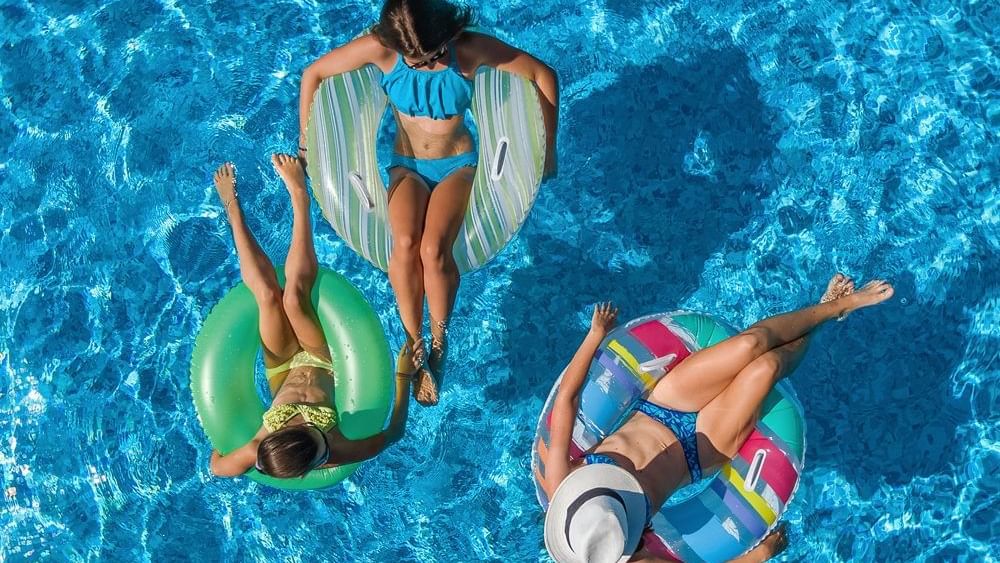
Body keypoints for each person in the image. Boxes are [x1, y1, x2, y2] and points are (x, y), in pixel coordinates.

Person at [298, 0, 559, 405]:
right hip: (407, 167)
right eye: (416, 61)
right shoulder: (382, 50)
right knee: (402, 244)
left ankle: (439, 344)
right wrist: (305, 142)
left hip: (458, 166)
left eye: (433, 56)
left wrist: (549, 149)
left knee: (434, 249)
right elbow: (312, 74)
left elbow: (543, 74)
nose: (425, 65)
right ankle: (413, 341)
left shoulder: (468, 50)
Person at [537, 274, 895, 562]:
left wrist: (594, 335)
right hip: (700, 451)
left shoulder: (561, 484)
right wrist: (761, 555)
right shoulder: (625, 555)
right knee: (767, 367)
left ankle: (840, 306)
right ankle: (825, 314)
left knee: (750, 345)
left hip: (664, 405)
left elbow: (567, 399)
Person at [208, 155, 413, 479]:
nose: (303, 424)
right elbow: (393, 434)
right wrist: (403, 378)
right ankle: (300, 197)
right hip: (321, 360)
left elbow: (218, 468)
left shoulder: (257, 448)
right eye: (314, 435)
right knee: (293, 298)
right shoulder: (338, 449)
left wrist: (222, 439)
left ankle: (233, 209)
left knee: (267, 296)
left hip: (282, 364)